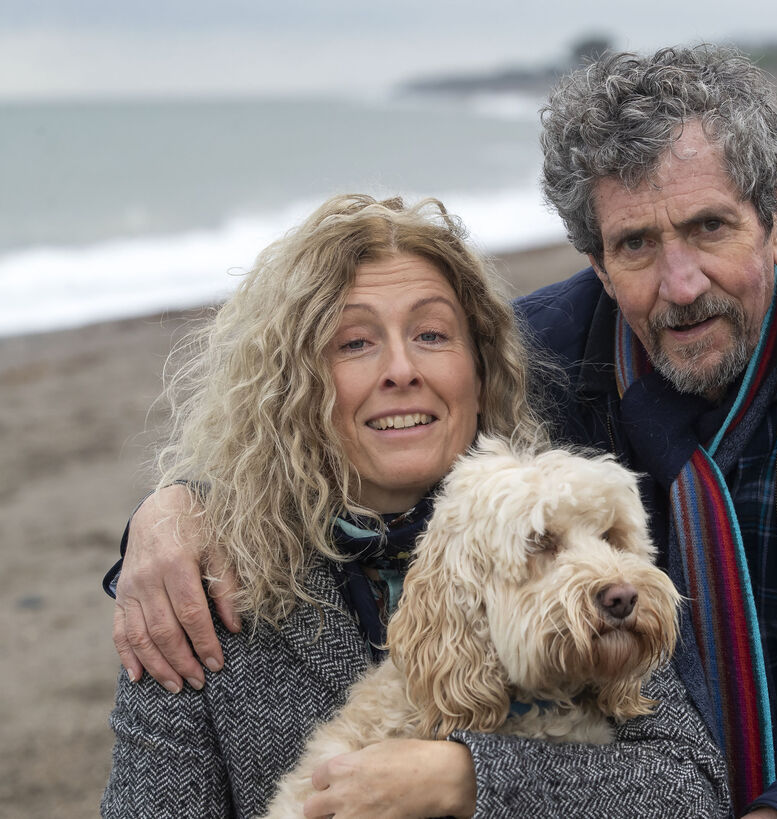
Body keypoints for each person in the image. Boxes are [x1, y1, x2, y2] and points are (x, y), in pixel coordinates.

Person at [109, 47, 777, 818]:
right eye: (636, 244)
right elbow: (333, 413)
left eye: (710, 228)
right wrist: (178, 506)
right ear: (594, 257)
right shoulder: (533, 366)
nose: (679, 284)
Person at [101, 193, 730, 818]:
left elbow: (693, 793)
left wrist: (471, 780)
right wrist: (171, 506)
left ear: (480, 372)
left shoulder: (571, 529)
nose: (401, 369)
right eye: (354, 343)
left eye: (432, 335)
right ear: (294, 386)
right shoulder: (194, 583)